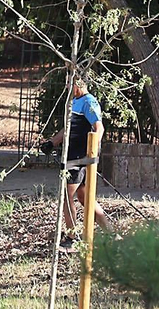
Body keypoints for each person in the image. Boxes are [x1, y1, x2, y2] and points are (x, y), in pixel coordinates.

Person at [48, 78, 113, 250]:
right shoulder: (75, 102)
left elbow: (99, 129)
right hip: (71, 156)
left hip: (79, 159)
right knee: (85, 197)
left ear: (78, 84)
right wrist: (52, 142)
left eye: (69, 84)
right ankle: (111, 233)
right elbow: (68, 129)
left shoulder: (89, 102)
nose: (67, 87)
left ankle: (72, 237)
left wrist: (91, 154)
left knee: (66, 195)